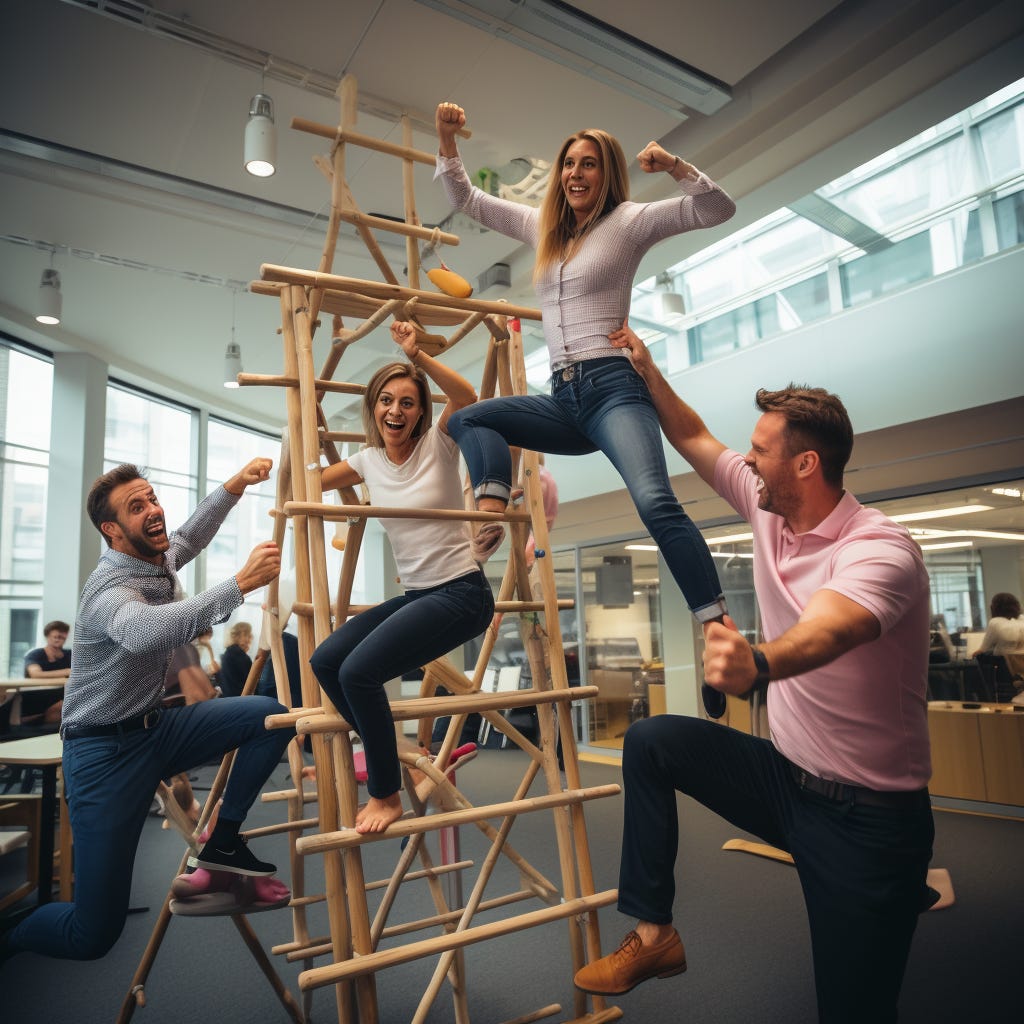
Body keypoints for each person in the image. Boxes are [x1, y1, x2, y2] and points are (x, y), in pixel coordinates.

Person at [573, 325, 935, 1024]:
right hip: (784, 779)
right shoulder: (768, 508)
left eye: (761, 452)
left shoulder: (879, 550)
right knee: (652, 742)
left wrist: (759, 663)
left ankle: (895, 887)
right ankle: (654, 935)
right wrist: (647, 373)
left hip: (867, 819)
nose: (747, 461)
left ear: (804, 465)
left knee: (854, 1008)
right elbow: (697, 437)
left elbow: (832, 628)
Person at [434, 102, 734, 642]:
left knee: (654, 500)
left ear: (607, 173)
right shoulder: (541, 225)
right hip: (563, 397)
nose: (575, 173)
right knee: (469, 421)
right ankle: (493, 500)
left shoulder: (630, 221)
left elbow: (716, 209)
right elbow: (466, 199)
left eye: (589, 164)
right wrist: (446, 140)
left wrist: (673, 167)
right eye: (569, 163)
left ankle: (715, 623)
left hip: (614, 390)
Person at [0, 460, 295, 964]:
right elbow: (146, 632)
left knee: (270, 716)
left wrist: (234, 486)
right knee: (92, 934)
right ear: (111, 530)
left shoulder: (152, 558)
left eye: (153, 497)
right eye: (137, 507)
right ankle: (11, 935)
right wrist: (239, 584)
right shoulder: (108, 590)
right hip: (101, 755)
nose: (154, 510)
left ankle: (222, 840)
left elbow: (190, 535)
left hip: (156, 730)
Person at [309, 321, 494, 833]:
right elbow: (310, 481)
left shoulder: (441, 442)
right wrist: (300, 431)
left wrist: (418, 355)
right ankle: (388, 750)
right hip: (418, 594)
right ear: (373, 407)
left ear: (420, 412)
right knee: (326, 661)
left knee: (358, 673)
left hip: (461, 592)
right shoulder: (368, 461)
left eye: (407, 402)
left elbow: (467, 394)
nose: (396, 410)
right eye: (386, 400)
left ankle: (385, 792)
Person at [21, 619, 72, 725]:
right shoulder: (35, 654)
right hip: (38, 695)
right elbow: (35, 674)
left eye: (62, 637)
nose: (59, 640)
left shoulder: (69, 654)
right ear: (47, 636)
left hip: (61, 694)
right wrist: (66, 671)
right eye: (56, 637)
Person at [970, 592, 1024, 679]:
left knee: (978, 657)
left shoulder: (995, 622)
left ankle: (983, 689)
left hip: (1006, 663)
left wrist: (972, 653)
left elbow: (984, 649)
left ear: (994, 607)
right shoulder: (1022, 619)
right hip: (1021, 663)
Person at [218, 620, 253, 698]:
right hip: (240, 699)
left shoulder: (229, 652)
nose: (251, 637)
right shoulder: (240, 656)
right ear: (242, 635)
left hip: (229, 698)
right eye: (248, 634)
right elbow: (251, 682)